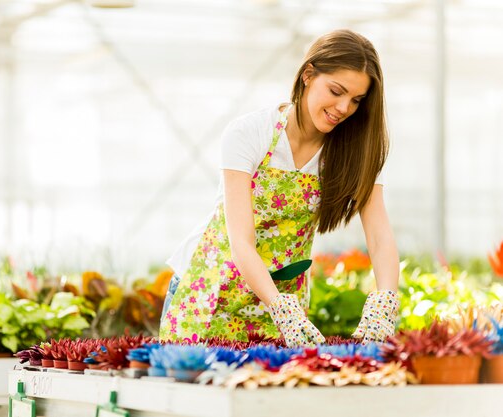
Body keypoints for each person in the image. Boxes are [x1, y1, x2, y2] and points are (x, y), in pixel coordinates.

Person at [159, 29, 399, 347]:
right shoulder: (250, 133)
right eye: (336, 91)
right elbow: (241, 242)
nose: (344, 108)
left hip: (280, 305)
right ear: (308, 75)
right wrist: (281, 309)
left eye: (356, 100)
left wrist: (385, 301)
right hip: (210, 293)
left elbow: (380, 238)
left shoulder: (356, 152)